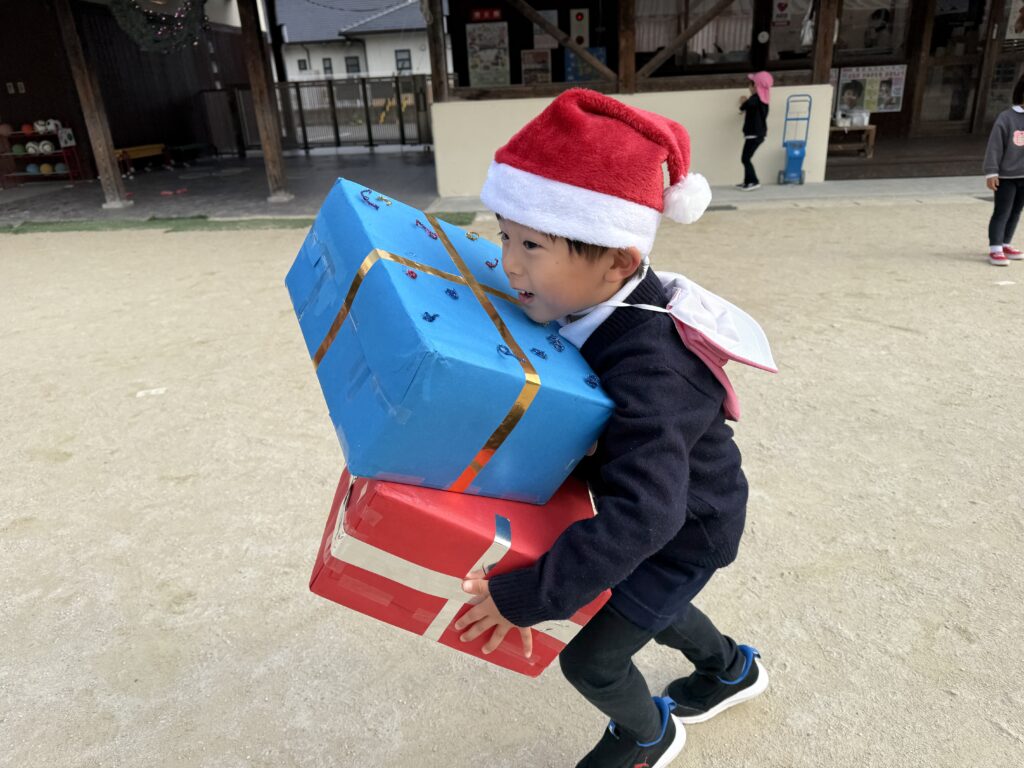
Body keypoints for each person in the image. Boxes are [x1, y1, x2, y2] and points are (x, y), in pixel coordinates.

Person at [455, 89, 772, 768]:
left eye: (532, 245)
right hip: (661, 513)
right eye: (505, 236)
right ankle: (731, 670)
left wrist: (525, 598)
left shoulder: (654, 370)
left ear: (619, 263)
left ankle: (647, 737)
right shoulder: (583, 303)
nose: (510, 263)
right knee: (649, 605)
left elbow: (648, 517)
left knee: (594, 660)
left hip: (686, 529)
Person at [983, 75, 1024, 266]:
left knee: (1016, 211)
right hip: (1006, 176)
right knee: (1002, 211)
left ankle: (1006, 243)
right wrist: (991, 172)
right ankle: (995, 248)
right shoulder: (1006, 117)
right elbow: (995, 146)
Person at [737, 71, 772, 190]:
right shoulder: (763, 101)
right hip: (758, 134)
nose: (749, 87)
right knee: (746, 158)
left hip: (754, 135)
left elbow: (744, 106)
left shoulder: (755, 99)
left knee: (745, 158)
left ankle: (754, 181)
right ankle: (748, 181)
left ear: (755, 86)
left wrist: (743, 102)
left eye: (750, 85)